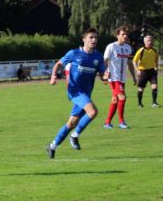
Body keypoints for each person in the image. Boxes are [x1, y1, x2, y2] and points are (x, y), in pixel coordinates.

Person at [46, 28, 107, 159]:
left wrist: (106, 77)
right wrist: (53, 76)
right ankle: (75, 136)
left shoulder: (98, 57)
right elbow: (58, 64)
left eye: (96, 38)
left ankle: (52, 146)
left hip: (86, 94)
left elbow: (102, 76)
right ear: (84, 39)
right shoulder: (73, 53)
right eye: (91, 37)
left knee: (71, 123)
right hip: (75, 91)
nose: (94, 40)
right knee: (93, 112)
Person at [103, 26, 136, 129]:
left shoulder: (128, 48)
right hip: (113, 78)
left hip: (122, 78)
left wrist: (134, 77)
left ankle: (107, 122)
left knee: (115, 100)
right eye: (123, 34)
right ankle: (121, 122)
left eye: (126, 34)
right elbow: (105, 60)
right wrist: (104, 73)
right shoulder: (111, 47)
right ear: (117, 35)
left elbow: (129, 63)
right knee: (122, 97)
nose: (125, 36)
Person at [133, 35, 159, 108]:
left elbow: (156, 60)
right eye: (148, 41)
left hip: (152, 71)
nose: (150, 42)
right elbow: (134, 61)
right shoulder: (141, 50)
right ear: (144, 42)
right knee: (141, 88)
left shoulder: (154, 50)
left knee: (154, 87)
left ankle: (154, 103)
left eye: (151, 40)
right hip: (143, 72)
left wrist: (156, 67)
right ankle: (139, 103)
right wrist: (137, 70)